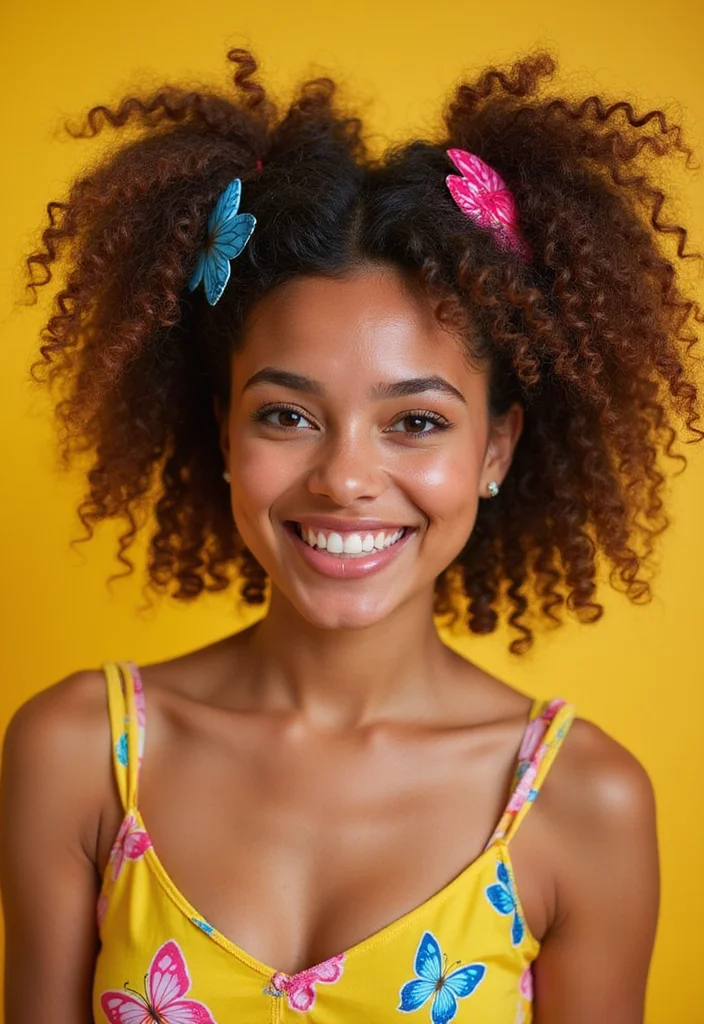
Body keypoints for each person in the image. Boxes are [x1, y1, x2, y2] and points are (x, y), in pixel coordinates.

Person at [1, 45, 700, 1024]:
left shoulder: (580, 802)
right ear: (222, 432)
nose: (343, 479)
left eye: (414, 421)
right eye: (286, 415)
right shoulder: (77, 754)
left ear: (495, 445)